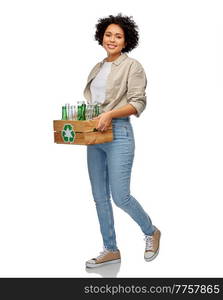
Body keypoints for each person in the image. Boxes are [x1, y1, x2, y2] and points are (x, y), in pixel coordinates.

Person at [83, 13, 161, 268]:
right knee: (99, 196)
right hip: (95, 134)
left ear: (126, 41)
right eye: (108, 34)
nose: (112, 39)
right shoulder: (97, 67)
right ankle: (110, 249)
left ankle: (151, 231)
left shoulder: (132, 66)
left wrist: (110, 114)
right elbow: (94, 103)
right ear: (101, 37)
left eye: (118, 36)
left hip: (119, 133)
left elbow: (138, 102)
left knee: (120, 196)